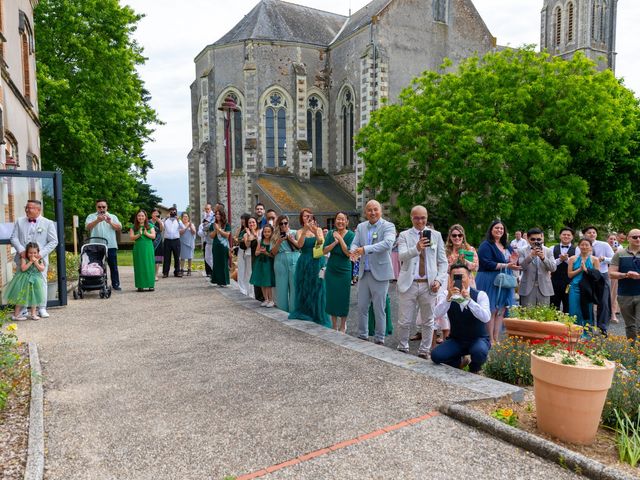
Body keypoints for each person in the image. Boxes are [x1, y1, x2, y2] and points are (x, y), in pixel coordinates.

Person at [396, 206, 448, 359]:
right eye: (417, 218)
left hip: (429, 284)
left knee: (428, 320)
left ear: (427, 217)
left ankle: (424, 351)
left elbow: (443, 262)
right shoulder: (404, 235)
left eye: (423, 218)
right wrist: (417, 248)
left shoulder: (436, 235)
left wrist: (439, 280)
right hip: (409, 283)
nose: (420, 221)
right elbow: (401, 257)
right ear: (411, 218)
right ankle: (402, 348)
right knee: (404, 320)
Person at [350, 200, 396, 344]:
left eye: (375, 209)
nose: (372, 212)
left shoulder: (388, 226)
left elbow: (388, 243)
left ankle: (379, 338)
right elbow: (355, 242)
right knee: (362, 306)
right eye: (369, 210)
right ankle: (362, 335)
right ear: (365, 212)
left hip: (380, 273)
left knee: (379, 308)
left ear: (380, 211)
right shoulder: (361, 227)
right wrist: (353, 251)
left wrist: (365, 249)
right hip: (364, 272)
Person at [431, 263, 492, 373]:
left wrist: (469, 301)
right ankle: (459, 362)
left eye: (462, 276)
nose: (459, 279)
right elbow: (435, 314)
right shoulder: (446, 294)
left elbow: (486, 318)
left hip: (478, 338)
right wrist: (448, 299)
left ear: (469, 277)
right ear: (450, 278)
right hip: (457, 339)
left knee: (479, 351)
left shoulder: (480, 295)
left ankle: (475, 368)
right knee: (436, 356)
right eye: (455, 276)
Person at [10, 199, 58, 318]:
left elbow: (53, 241)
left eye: (30, 208)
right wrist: (21, 250)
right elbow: (13, 238)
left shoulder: (48, 223)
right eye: (26, 207)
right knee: (22, 284)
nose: (27, 210)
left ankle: (42, 308)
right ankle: (23, 309)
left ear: (38, 209)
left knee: (41, 282)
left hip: (39, 259)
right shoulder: (19, 221)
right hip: (23, 259)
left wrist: (40, 254)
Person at [476, 220, 519, 345]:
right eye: (497, 228)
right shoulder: (486, 245)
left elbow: (513, 260)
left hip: (504, 280)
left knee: (501, 309)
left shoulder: (507, 245)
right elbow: (486, 263)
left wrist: (513, 261)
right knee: (491, 309)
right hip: (490, 279)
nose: (499, 230)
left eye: (501, 228)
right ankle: (489, 338)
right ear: (491, 229)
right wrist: (506, 265)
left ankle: (496, 337)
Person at [435, 224, 479, 345]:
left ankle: (468, 340)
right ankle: (451, 340)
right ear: (450, 236)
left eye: (460, 235)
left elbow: (475, 267)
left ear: (463, 236)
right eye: (454, 235)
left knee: (466, 311)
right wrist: (454, 262)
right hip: (451, 283)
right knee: (451, 312)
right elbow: (442, 268)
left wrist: (464, 260)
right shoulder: (445, 251)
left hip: (467, 283)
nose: (457, 237)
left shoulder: (470, 249)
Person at [288, 208, 330, 326]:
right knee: (304, 287)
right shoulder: (299, 231)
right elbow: (300, 245)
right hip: (304, 261)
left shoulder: (319, 229)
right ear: (301, 218)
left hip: (318, 261)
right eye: (305, 216)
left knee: (318, 287)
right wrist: (306, 229)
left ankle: (317, 313)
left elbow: (321, 242)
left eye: (309, 216)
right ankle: (306, 312)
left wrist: (315, 232)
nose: (307, 218)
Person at [323, 212, 355, 332]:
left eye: (343, 219)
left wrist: (340, 239)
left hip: (344, 268)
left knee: (343, 296)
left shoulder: (351, 235)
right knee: (332, 296)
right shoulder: (330, 233)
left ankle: (343, 325)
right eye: (338, 219)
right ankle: (334, 325)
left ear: (347, 222)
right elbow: (323, 250)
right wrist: (334, 242)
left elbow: (348, 253)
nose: (340, 222)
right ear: (335, 221)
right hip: (332, 267)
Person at [582, 226, 615, 335]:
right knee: (587, 300)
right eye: (589, 232)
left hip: (602, 275)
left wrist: (604, 259)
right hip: (587, 275)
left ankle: (602, 327)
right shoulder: (581, 245)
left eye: (594, 232)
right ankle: (588, 326)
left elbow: (614, 259)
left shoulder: (604, 245)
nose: (592, 234)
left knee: (603, 301)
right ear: (584, 234)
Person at [609, 229, 640, 341]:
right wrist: (626, 274)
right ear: (628, 238)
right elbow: (611, 273)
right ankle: (632, 351)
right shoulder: (619, 254)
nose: (638, 239)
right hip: (624, 295)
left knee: (639, 325)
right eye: (635, 237)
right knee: (630, 326)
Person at [85, 199, 122, 290]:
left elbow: (119, 228)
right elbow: (87, 227)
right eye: (99, 207)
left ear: (107, 207)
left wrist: (110, 222)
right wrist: (97, 221)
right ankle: (95, 284)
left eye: (103, 207)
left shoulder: (112, 216)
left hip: (110, 245)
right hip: (95, 246)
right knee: (95, 266)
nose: (101, 208)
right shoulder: (91, 216)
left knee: (113, 266)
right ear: (96, 207)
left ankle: (115, 284)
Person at [568, 238, 601, 333]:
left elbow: (597, 276)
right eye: (582, 245)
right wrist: (580, 269)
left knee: (587, 310)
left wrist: (586, 270)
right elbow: (569, 274)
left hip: (588, 289)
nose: (584, 247)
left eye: (587, 245)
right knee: (574, 310)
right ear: (578, 246)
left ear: (590, 247)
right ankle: (574, 332)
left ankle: (587, 333)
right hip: (575, 287)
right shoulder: (572, 259)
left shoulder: (594, 259)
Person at [517, 228, 557, 306]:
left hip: (544, 288)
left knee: (543, 315)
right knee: (526, 316)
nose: (536, 241)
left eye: (538, 239)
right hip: (527, 288)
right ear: (528, 239)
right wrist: (531, 256)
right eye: (533, 239)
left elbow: (553, 268)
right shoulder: (522, 251)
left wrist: (543, 258)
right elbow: (521, 267)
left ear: (542, 239)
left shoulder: (548, 251)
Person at [7, 242, 46, 321]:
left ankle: (33, 314)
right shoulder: (24, 258)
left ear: (38, 252)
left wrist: (36, 262)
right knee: (21, 297)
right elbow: (23, 268)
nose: (32, 255)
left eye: (35, 253)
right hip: (24, 280)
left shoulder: (39, 259)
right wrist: (31, 262)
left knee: (34, 297)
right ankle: (16, 315)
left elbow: (42, 269)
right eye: (30, 253)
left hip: (35, 280)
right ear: (27, 252)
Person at [272, 214, 300, 312]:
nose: (283, 225)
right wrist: (279, 241)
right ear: (278, 225)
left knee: (295, 286)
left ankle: (294, 311)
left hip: (294, 257)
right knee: (281, 287)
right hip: (280, 258)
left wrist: (292, 239)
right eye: (281, 223)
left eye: (285, 223)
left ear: (288, 223)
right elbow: (273, 252)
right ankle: (282, 311)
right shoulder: (275, 235)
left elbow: (300, 246)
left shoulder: (295, 232)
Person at [129, 210, 156, 292]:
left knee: (149, 265)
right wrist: (139, 234)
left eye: (142, 216)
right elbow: (131, 237)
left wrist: (146, 233)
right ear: (136, 217)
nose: (140, 217)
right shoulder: (133, 227)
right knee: (139, 265)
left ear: (145, 217)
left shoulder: (150, 226)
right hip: (138, 248)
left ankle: (150, 285)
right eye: (139, 216)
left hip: (148, 248)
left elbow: (153, 236)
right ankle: (140, 285)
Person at [551, 227, 576, 313]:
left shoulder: (577, 249)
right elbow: (550, 264)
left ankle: (567, 325)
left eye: (568, 235)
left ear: (572, 237)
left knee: (568, 304)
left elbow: (577, 265)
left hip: (569, 282)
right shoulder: (552, 248)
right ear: (560, 236)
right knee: (553, 304)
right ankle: (553, 325)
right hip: (554, 281)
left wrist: (566, 260)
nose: (566, 236)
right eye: (564, 234)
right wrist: (560, 260)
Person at [250, 224, 276, 306]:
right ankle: (266, 299)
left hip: (268, 264)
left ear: (272, 232)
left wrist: (266, 253)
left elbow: (273, 255)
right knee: (262, 282)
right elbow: (256, 253)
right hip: (260, 263)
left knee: (267, 283)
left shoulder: (272, 242)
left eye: (268, 232)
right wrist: (260, 251)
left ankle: (271, 300)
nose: (266, 233)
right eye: (265, 231)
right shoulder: (260, 241)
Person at [209, 209, 232, 286]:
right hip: (216, 246)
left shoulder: (226, 225)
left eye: (219, 214)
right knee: (216, 263)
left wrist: (219, 229)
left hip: (224, 246)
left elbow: (227, 235)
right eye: (216, 214)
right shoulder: (213, 225)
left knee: (224, 263)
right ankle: (217, 281)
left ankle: (224, 281)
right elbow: (211, 236)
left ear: (222, 215)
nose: (217, 215)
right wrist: (216, 230)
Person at [235, 213, 253, 296]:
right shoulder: (241, 229)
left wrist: (241, 239)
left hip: (248, 250)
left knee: (248, 271)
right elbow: (235, 238)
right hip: (241, 250)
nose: (242, 221)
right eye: (241, 219)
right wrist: (238, 239)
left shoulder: (249, 230)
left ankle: (248, 290)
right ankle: (242, 289)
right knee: (241, 269)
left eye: (243, 219)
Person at [163, 207, 182, 278]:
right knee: (167, 257)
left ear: (176, 213)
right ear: (169, 213)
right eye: (171, 212)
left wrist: (178, 220)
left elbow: (182, 227)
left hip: (176, 240)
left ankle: (177, 272)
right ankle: (165, 272)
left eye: (174, 212)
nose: (172, 213)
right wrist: (165, 218)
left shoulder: (178, 220)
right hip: (167, 241)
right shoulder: (165, 220)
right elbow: (161, 226)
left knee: (177, 257)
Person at [607, 233, 621, 323]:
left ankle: (613, 313)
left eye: (614, 239)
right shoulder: (604, 247)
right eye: (610, 239)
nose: (612, 241)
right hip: (605, 271)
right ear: (607, 239)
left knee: (613, 293)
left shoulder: (620, 249)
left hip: (614, 272)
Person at [150, 209, 164, 281]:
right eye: (154, 213)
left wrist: (160, 222)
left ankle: (156, 275)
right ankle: (150, 274)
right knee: (150, 259)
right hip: (150, 242)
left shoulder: (160, 222)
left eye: (157, 213)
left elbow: (161, 230)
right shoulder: (148, 222)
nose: (156, 214)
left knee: (158, 259)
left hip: (158, 242)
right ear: (151, 214)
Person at [201, 203, 214, 276]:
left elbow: (209, 226)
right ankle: (211, 271)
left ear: (211, 209)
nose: (206, 210)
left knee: (212, 257)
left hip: (212, 240)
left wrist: (205, 225)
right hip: (206, 239)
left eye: (208, 209)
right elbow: (202, 226)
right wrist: (205, 225)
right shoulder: (204, 215)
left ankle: (213, 271)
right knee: (207, 258)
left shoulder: (213, 215)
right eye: (205, 209)